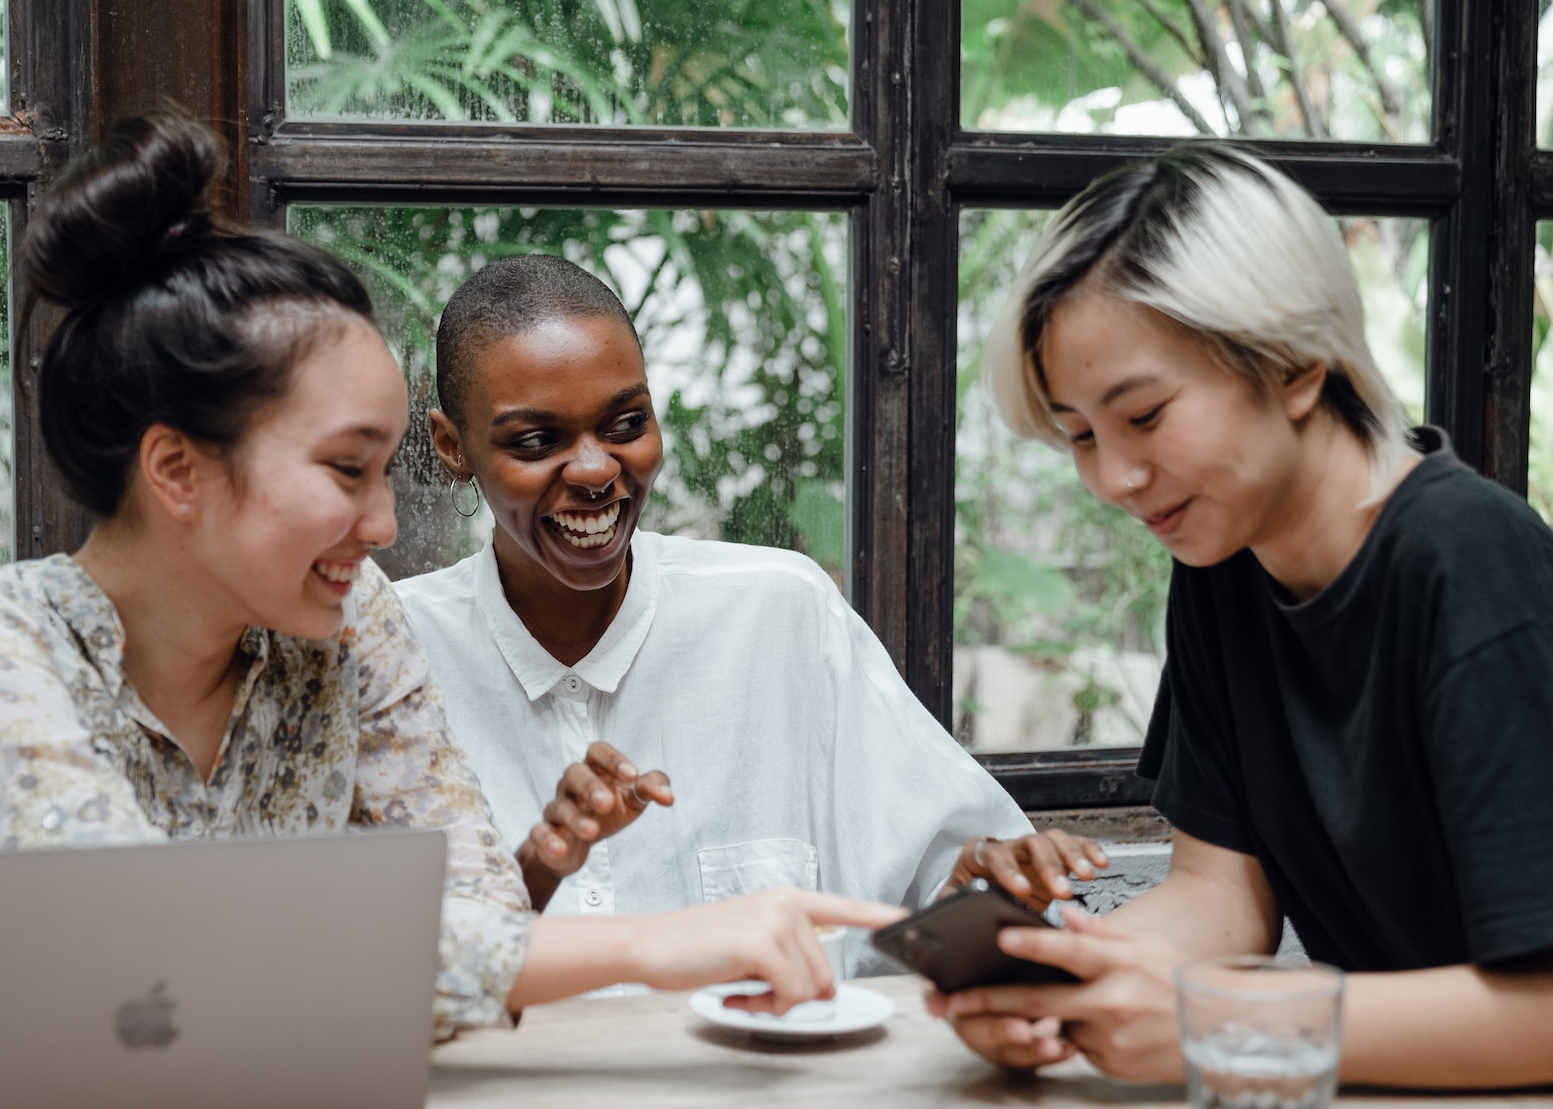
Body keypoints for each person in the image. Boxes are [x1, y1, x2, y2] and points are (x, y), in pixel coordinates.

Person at [0, 114, 905, 1041]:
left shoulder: (346, 625)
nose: (385, 523)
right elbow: (143, 940)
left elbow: (481, 926)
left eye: (389, 467)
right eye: (346, 469)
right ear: (177, 468)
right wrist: (651, 945)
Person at [933, 144, 1553, 1088]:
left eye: (1143, 417)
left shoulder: (1469, 560)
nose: (1114, 479)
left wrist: (1215, 1023)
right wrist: (1057, 980)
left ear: (1296, 364)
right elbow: (1221, 898)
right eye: (1081, 437)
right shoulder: (1224, 560)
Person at [395, 254, 1107, 978]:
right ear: (453, 446)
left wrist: (980, 887)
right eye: (536, 442)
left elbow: (941, 879)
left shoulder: (781, 614)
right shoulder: (396, 656)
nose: (595, 471)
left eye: (626, 423)